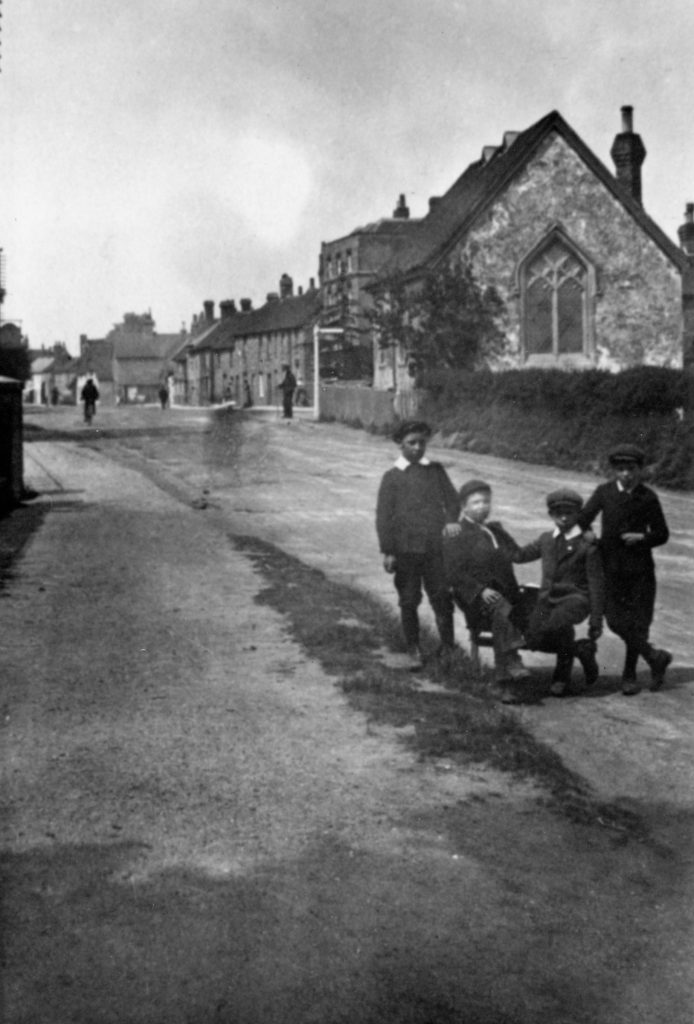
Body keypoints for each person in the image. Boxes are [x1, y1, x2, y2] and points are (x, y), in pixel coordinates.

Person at [578, 444, 671, 695]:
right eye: (621, 469)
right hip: (611, 568)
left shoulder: (648, 496)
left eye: (631, 469)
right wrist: (589, 536)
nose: (626, 475)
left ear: (640, 470)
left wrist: (642, 537)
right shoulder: (604, 492)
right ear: (614, 471)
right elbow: (583, 518)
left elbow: (662, 534)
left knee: (638, 622)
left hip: (640, 570)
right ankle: (654, 656)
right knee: (616, 620)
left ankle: (629, 675)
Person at [376, 420, 461, 668]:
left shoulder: (435, 471)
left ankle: (448, 648)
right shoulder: (391, 478)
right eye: (411, 443)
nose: (417, 447)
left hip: (436, 549)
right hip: (405, 552)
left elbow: (453, 501)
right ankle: (413, 648)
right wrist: (388, 551)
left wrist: (450, 521)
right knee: (409, 599)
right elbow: (383, 517)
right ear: (400, 444)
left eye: (422, 442)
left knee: (442, 597)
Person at [443, 479, 531, 703]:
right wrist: (480, 590)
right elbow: (453, 573)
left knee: (517, 607)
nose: (483, 506)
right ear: (464, 506)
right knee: (500, 608)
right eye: (476, 502)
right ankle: (512, 663)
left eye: (486, 502)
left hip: (503, 597)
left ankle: (505, 679)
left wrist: (549, 542)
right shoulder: (457, 533)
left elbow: (518, 555)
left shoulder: (496, 530)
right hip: (474, 599)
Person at [514, 489, 604, 697]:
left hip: (576, 600)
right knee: (533, 638)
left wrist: (596, 620)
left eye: (569, 513)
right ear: (551, 515)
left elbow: (596, 584)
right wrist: (495, 534)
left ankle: (561, 677)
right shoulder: (546, 539)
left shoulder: (587, 545)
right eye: (558, 513)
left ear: (577, 515)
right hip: (547, 600)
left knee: (556, 623)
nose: (563, 517)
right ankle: (581, 650)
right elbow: (519, 555)